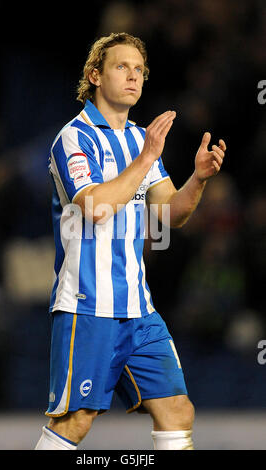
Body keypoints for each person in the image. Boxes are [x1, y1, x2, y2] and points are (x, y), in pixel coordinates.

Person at [35, 32, 226, 451]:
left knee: (177, 409)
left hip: (139, 309)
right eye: (122, 66)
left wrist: (197, 179)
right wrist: (146, 159)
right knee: (76, 421)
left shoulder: (141, 139)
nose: (133, 76)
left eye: (139, 69)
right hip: (88, 305)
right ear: (95, 76)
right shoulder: (74, 137)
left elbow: (170, 215)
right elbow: (96, 207)